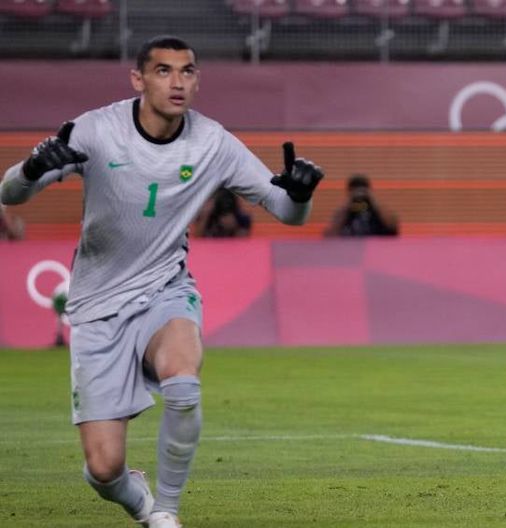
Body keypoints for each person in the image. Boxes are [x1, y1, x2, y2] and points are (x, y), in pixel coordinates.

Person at [0, 36, 324, 527]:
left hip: (165, 289)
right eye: (163, 71)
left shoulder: (212, 142)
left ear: (197, 80)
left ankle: (167, 511)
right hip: (96, 305)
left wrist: (299, 195)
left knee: (183, 375)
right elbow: (11, 194)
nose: (177, 82)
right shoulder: (97, 130)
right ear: (139, 79)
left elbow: (286, 211)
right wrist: (30, 169)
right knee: (104, 469)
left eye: (187, 71)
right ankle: (138, 500)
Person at [323, 174, 399, 237]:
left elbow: (392, 226)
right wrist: (349, 202)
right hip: (350, 245)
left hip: (375, 245)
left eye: (363, 190)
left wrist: (372, 199)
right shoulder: (345, 211)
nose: (360, 194)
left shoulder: (377, 209)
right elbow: (331, 233)